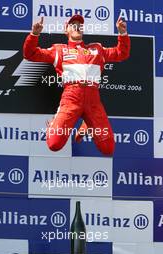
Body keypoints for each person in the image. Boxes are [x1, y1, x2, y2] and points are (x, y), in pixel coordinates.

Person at [23, 14, 130, 155]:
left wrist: (122, 33)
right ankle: (66, 123)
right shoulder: (59, 50)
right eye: (72, 24)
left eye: (79, 24)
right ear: (65, 30)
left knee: (108, 148)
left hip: (93, 101)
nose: (77, 26)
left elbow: (122, 53)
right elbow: (29, 54)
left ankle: (87, 122)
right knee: (54, 144)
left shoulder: (97, 49)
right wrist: (34, 34)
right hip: (71, 98)